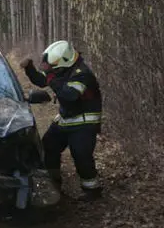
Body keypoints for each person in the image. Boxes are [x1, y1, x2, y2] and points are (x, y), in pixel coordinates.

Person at [20, 40, 103, 200]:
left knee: (81, 154)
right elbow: (41, 81)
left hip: (85, 122)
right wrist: (29, 68)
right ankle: (54, 183)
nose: (50, 70)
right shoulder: (61, 70)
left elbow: (70, 95)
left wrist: (51, 78)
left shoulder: (82, 73)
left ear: (64, 61)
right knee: (48, 146)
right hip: (67, 118)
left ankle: (92, 190)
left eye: (53, 67)